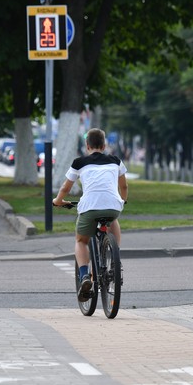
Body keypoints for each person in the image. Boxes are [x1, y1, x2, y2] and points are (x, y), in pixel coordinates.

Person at [52, 128, 128, 301]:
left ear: (87, 145)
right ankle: (115, 257)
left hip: (89, 207)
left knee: (81, 240)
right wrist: (123, 200)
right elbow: (124, 187)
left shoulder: (79, 162)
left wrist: (58, 201)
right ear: (104, 145)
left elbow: (66, 187)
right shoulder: (116, 161)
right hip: (112, 206)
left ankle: (85, 275)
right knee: (113, 219)